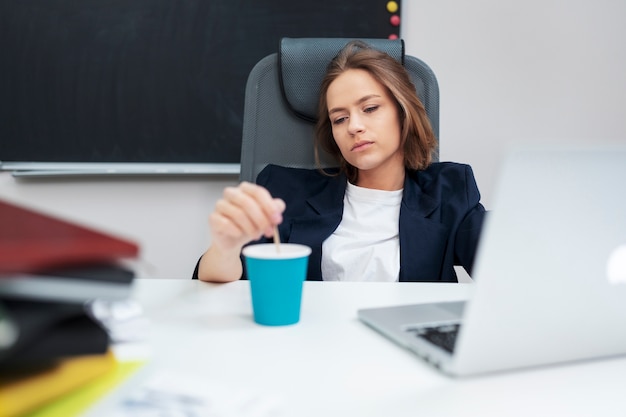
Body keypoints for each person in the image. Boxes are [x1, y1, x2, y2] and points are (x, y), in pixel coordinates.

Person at [193, 40, 486, 283]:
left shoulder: (449, 192)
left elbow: (505, 271)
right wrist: (225, 246)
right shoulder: (284, 191)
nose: (354, 126)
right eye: (340, 118)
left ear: (403, 112)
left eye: (370, 108)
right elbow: (219, 282)